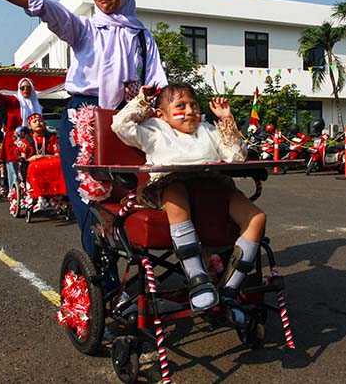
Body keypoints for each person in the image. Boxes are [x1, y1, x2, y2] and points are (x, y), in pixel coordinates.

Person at [0, 0, 168, 257]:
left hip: (129, 121)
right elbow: (46, 7)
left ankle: (141, 279)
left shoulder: (142, 37)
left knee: (136, 199)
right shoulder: (84, 29)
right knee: (89, 202)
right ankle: (101, 281)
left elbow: (159, 85)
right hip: (84, 119)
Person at [111, 83, 266, 319]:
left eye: (194, 105)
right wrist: (143, 101)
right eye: (180, 106)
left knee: (256, 218)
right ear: (161, 113)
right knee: (176, 193)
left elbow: (236, 156)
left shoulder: (209, 130)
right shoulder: (154, 128)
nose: (190, 110)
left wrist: (226, 119)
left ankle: (229, 290)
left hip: (213, 188)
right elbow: (120, 125)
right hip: (169, 188)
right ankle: (198, 278)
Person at [0, 68, 30, 189]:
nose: (25, 90)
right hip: (14, 142)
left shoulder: (35, 104)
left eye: (28, 87)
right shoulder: (13, 101)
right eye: (22, 87)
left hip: (31, 142)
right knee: (14, 173)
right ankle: (15, 196)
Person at [16, 112, 63, 211]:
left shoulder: (52, 138)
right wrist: (32, 159)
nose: (38, 123)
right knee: (33, 167)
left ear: (45, 124)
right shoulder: (25, 141)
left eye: (41, 121)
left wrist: (42, 157)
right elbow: (23, 159)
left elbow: (57, 155)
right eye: (35, 121)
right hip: (32, 165)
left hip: (50, 163)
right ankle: (40, 198)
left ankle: (59, 195)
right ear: (29, 126)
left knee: (59, 163)